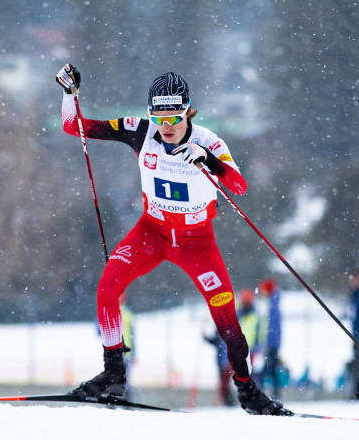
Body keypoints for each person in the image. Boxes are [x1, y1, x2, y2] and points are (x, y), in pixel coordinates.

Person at [56, 64, 292, 416]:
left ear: (188, 112)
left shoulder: (209, 141)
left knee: (228, 325)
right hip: (151, 233)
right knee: (107, 289)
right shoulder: (140, 130)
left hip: (198, 243)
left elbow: (239, 185)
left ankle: (248, 391)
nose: (165, 127)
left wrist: (208, 160)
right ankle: (113, 373)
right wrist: (68, 93)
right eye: (159, 117)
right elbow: (75, 126)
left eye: (174, 119)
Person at [256, 278, 283, 399]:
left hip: (270, 343)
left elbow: (271, 326)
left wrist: (268, 342)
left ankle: (265, 394)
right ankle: (273, 393)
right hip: (270, 342)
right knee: (271, 369)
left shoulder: (271, 305)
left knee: (269, 369)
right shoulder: (271, 303)